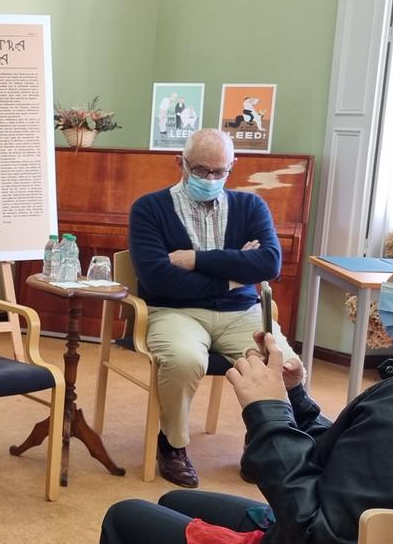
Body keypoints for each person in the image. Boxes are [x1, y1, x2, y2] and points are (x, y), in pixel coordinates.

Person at [100, 332, 393, 543]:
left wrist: (269, 414)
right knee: (173, 501)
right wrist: (294, 399)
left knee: (123, 517)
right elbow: (355, 458)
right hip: (322, 518)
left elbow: (316, 533)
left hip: (308, 528)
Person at [128, 128, 299, 488]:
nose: (209, 179)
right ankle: (172, 444)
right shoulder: (149, 208)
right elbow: (158, 279)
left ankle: (265, 444)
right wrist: (235, 273)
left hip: (241, 313)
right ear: (181, 164)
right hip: (174, 312)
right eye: (201, 170)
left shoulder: (251, 206)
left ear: (232, 166)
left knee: (281, 363)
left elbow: (269, 263)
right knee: (184, 360)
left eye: (219, 172)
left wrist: (195, 260)